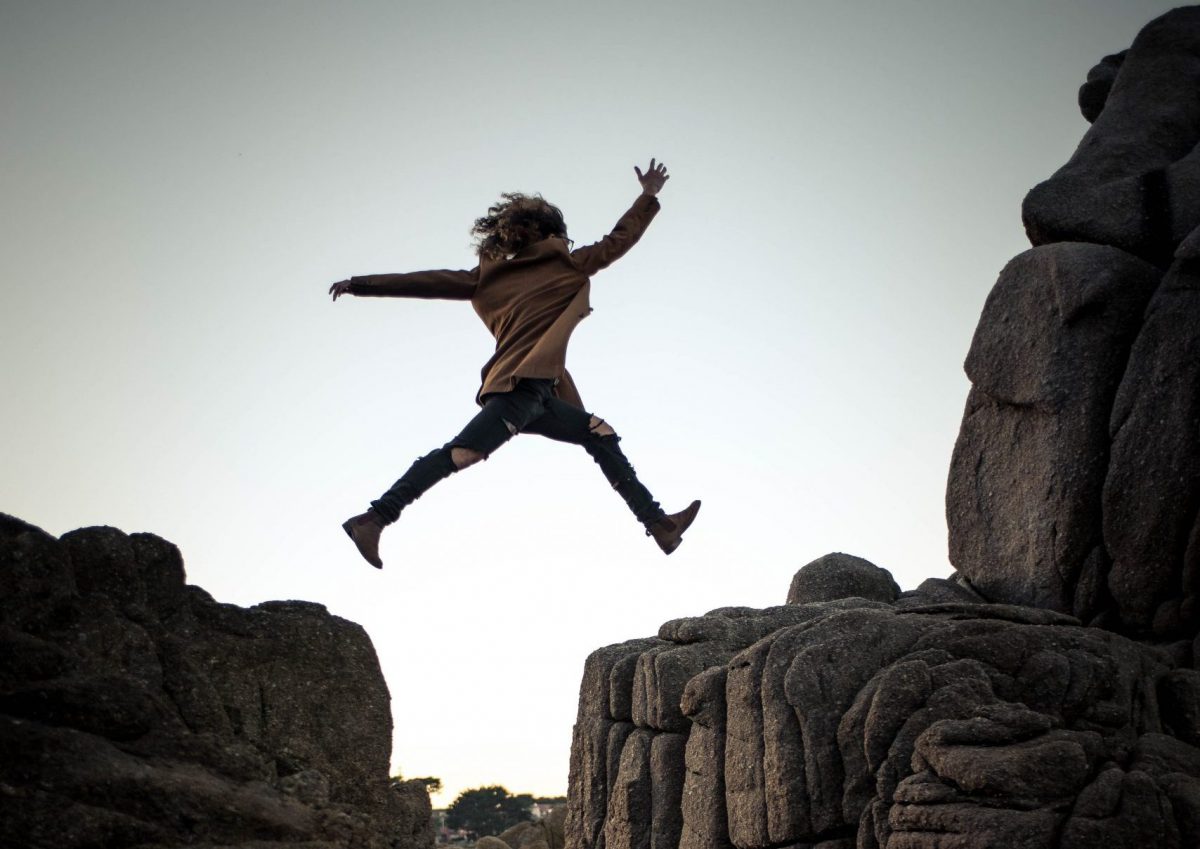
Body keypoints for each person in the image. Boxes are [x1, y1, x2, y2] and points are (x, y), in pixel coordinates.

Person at [329, 158, 700, 568]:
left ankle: (660, 525)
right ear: (550, 234)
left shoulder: (487, 277)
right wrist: (647, 196)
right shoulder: (565, 264)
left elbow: (424, 280)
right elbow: (619, 239)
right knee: (463, 453)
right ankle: (375, 518)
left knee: (600, 434)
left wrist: (361, 285)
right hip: (517, 388)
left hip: (541, 392)